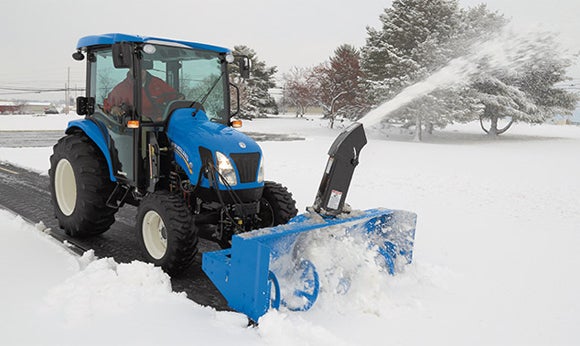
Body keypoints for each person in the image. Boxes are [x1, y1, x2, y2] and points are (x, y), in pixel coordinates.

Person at [104, 67, 181, 121]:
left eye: (142, 68)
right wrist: (113, 108)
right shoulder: (122, 88)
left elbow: (176, 97)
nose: (140, 71)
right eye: (135, 69)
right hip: (136, 128)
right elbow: (108, 103)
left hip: (161, 123)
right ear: (130, 69)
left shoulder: (158, 83)